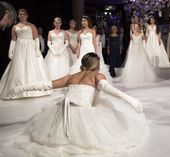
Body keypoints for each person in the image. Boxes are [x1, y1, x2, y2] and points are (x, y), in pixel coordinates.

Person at [0, 53, 148, 156]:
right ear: (96, 66)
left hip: (59, 112)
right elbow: (108, 89)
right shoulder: (97, 75)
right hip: (82, 114)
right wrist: (129, 99)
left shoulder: (71, 77)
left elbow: (45, 85)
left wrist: (22, 88)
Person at [0, 9, 52, 100]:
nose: (22, 15)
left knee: (31, 65)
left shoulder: (31, 26)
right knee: (19, 66)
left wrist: (37, 50)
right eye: (20, 14)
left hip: (30, 48)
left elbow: (36, 38)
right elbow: (13, 40)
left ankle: (31, 88)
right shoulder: (15, 27)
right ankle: (18, 88)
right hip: (19, 47)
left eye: (24, 14)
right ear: (18, 16)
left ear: (27, 16)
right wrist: (10, 51)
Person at [69, 15, 112, 82]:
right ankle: (83, 80)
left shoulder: (92, 31)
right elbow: (79, 43)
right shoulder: (80, 32)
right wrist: (78, 52)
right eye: (82, 21)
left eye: (85, 21)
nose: (83, 22)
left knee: (92, 63)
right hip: (83, 49)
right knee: (82, 64)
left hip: (90, 48)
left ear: (88, 22)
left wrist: (96, 52)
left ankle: (93, 80)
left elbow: (94, 42)